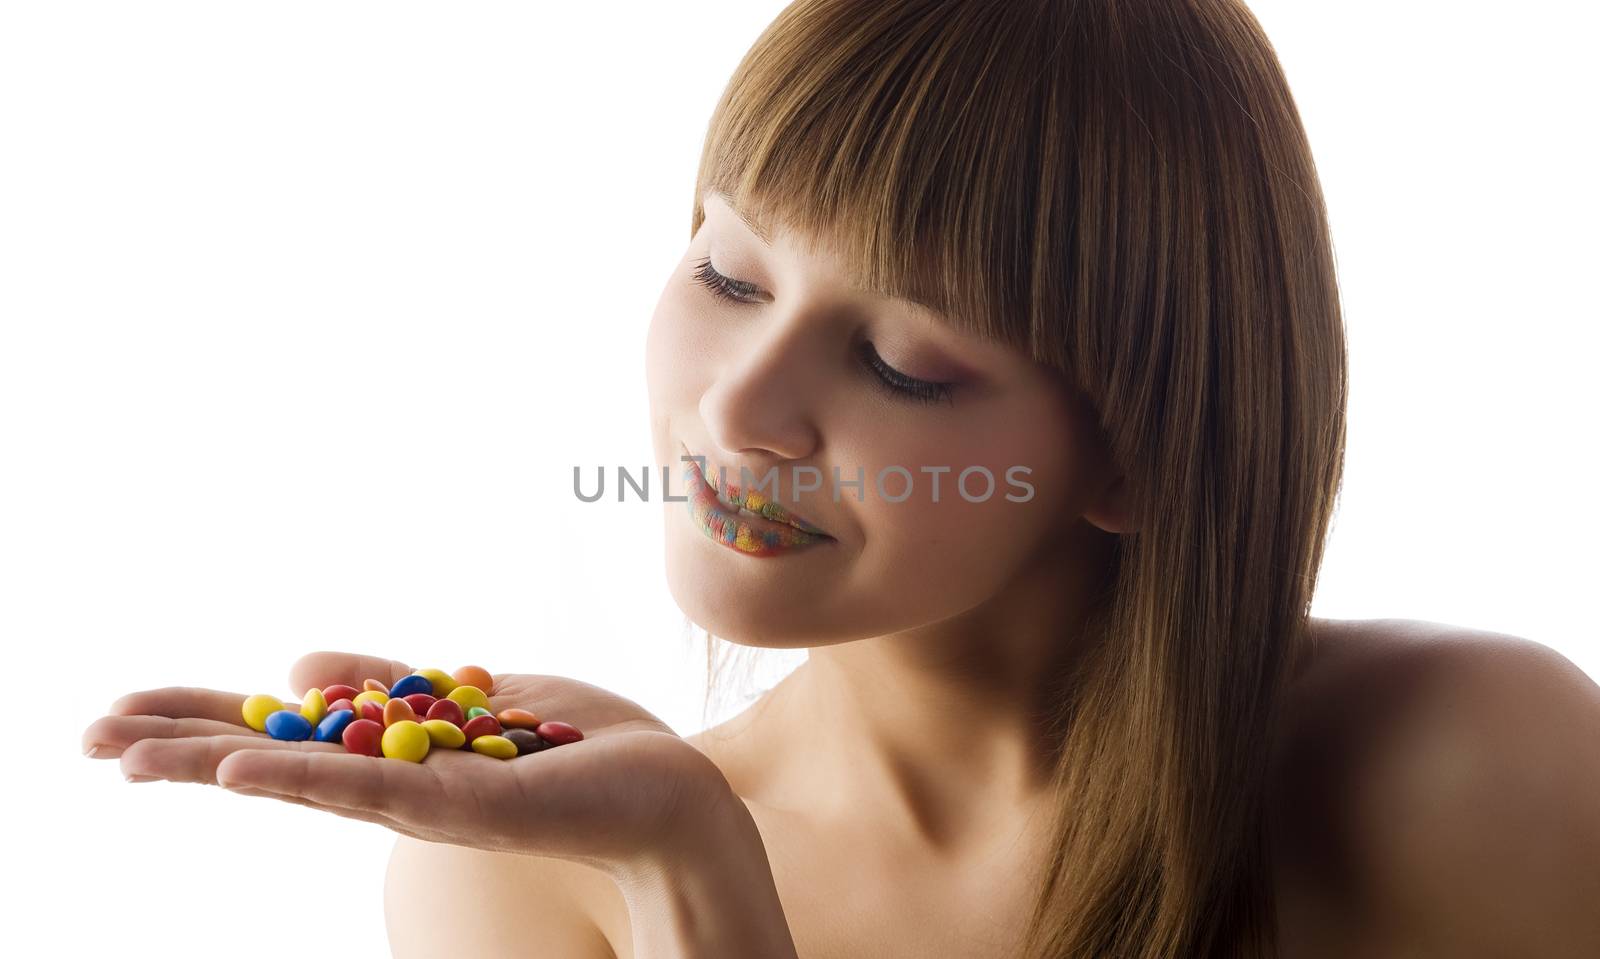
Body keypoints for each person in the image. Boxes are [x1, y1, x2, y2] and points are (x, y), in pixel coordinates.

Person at [82, 0, 1600, 956]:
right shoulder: (528, 882)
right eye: (730, 274)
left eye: (904, 364)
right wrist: (681, 864)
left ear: (1137, 452)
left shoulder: (1472, 772)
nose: (739, 407)